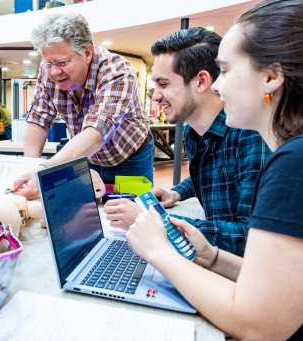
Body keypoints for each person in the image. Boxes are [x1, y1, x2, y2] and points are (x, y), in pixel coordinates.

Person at [127, 1, 303, 339]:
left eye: (227, 70)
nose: (219, 87)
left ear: (271, 77)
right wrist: (213, 257)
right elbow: (277, 278)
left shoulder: (292, 164)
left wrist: (159, 250)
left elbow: (257, 325)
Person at [103, 28, 270, 256]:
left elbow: (248, 238)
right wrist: (178, 192)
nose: (156, 96)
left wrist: (151, 220)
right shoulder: (194, 132)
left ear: (201, 81)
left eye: (164, 84)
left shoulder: (250, 135)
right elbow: (213, 174)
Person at [13, 12, 152, 199]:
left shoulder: (116, 71)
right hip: (86, 157)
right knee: (86, 213)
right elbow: (38, 118)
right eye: (49, 63)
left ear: (87, 52)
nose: (54, 72)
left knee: (132, 213)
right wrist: (30, 166)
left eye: (62, 63)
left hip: (130, 158)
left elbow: (97, 133)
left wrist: (43, 172)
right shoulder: (48, 70)